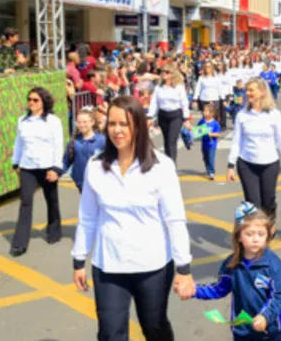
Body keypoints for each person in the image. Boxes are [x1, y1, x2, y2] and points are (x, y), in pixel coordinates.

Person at [72, 95, 195, 340]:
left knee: (154, 327)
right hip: (109, 265)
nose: (117, 130)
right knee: (109, 332)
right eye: (112, 124)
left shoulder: (162, 166)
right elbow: (87, 217)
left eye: (125, 124)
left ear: (138, 125)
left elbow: (175, 219)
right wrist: (78, 259)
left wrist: (184, 268)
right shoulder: (96, 167)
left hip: (153, 266)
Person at [193, 203, 281, 340]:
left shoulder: (273, 266)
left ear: (267, 236)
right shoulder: (231, 264)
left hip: (270, 331)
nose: (255, 239)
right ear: (239, 237)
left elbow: (278, 296)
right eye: (249, 234)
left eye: (261, 234)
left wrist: (265, 317)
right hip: (243, 332)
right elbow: (219, 288)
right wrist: (194, 290)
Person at [229, 78, 281, 223]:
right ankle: (257, 235)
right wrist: (231, 165)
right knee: (253, 204)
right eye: (247, 90)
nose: (248, 93)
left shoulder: (274, 114)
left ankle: (269, 225)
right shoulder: (242, 115)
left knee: (268, 203)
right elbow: (236, 141)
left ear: (262, 92)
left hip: (270, 164)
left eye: (251, 90)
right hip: (247, 163)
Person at [9, 87, 65, 257]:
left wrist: (56, 168)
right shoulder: (22, 121)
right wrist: (15, 162)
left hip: (47, 166)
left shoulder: (53, 121)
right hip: (27, 167)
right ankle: (19, 243)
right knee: (25, 202)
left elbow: (58, 145)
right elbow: (18, 143)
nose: (31, 103)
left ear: (43, 102)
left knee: (51, 200)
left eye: (35, 100)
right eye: (29, 99)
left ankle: (54, 231)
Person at [147, 65, 191, 165]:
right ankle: (168, 164)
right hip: (163, 116)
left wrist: (185, 118)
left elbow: (184, 102)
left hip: (176, 116)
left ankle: (172, 165)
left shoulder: (179, 87)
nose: (164, 74)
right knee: (166, 142)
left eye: (167, 72)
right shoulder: (158, 88)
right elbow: (154, 103)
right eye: (163, 71)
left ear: (173, 74)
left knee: (171, 141)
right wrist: (150, 116)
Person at [63, 108, 106, 193]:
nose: (82, 125)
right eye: (79, 122)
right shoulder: (73, 142)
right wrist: (56, 173)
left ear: (92, 122)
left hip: (100, 182)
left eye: (85, 122)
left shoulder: (102, 140)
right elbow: (66, 162)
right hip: (81, 183)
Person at [197, 104, 222, 180]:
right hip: (204, 144)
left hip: (212, 145)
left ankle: (211, 172)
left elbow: (218, 134)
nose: (204, 112)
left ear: (212, 113)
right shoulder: (202, 121)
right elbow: (197, 130)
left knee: (211, 158)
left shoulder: (215, 123)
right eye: (204, 111)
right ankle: (208, 169)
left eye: (206, 111)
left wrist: (212, 134)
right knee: (205, 158)